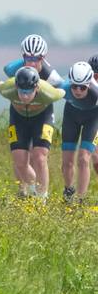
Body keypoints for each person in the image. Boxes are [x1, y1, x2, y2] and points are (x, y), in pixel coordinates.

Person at [0, 66, 64, 199]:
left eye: (29, 92)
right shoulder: (7, 89)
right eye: (22, 92)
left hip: (42, 118)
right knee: (20, 162)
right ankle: (35, 192)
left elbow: (62, 90)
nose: (25, 96)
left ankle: (42, 198)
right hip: (18, 119)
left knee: (40, 157)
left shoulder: (48, 92)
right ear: (16, 87)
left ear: (36, 88)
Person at [58, 61, 98, 202]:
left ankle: (81, 199)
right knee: (67, 162)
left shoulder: (96, 92)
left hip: (93, 119)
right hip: (71, 117)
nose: (78, 91)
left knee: (83, 159)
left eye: (82, 87)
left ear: (89, 84)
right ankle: (69, 191)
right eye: (75, 86)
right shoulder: (63, 87)